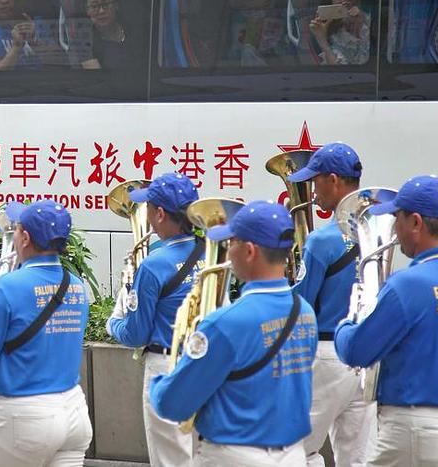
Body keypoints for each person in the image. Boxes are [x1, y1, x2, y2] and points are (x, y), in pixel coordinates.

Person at [334, 175, 438, 466]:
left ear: (416, 222)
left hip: (420, 428)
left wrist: (346, 322)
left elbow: (356, 351)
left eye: (397, 219)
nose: (395, 229)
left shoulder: (408, 283)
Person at [149, 200, 318, 466]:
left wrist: (157, 385)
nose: (227, 253)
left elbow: (173, 405)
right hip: (293, 454)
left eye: (232, 244)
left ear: (249, 251)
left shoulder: (226, 323)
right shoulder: (305, 311)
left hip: (235, 455)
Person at [0, 199, 91, 466]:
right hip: (74, 411)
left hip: (25, 414)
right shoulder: (76, 285)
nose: (14, 235)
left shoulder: (8, 287)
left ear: (26, 238)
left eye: (16, 229)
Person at [106, 172, 201, 467]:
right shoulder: (211, 252)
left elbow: (136, 335)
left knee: (170, 459)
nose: (144, 214)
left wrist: (114, 321)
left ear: (159, 213)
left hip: (166, 367)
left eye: (147, 207)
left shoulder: (152, 265)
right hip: (205, 363)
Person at [288, 143, 374, 467]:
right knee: (359, 457)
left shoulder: (321, 240)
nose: (311, 192)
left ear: (334, 179)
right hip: (366, 353)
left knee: (298, 450)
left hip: (326, 354)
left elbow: (300, 304)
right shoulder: (377, 232)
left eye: (315, 181)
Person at [70, 0, 145, 71]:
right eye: (94, 6)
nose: (101, 11)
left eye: (105, 4)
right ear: (87, 10)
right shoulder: (84, 41)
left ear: (116, 5)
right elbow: (97, 76)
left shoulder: (135, 30)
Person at [309, 0, 371, 65]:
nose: (343, 0)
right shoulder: (329, 29)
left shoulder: (374, 22)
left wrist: (360, 26)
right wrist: (322, 39)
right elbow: (337, 70)